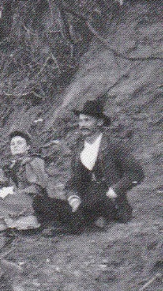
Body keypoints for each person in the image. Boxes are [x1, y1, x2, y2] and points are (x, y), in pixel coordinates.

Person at [40, 97, 144, 233]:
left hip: (108, 200)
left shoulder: (113, 146)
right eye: (80, 121)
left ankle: (71, 224)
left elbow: (136, 173)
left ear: (99, 122)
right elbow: (74, 181)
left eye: (87, 120)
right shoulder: (79, 149)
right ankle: (80, 218)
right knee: (39, 202)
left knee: (92, 202)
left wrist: (115, 190)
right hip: (86, 198)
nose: (82, 125)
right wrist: (73, 198)